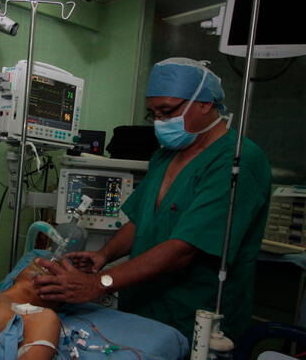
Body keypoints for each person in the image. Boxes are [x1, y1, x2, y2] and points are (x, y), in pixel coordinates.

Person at [32, 57, 272, 344]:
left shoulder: (237, 163)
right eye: (153, 113)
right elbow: (141, 220)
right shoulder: (166, 155)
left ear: (205, 103)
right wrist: (104, 256)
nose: (159, 122)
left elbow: (183, 250)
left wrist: (100, 283)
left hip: (196, 318)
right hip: (144, 309)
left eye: (167, 111)